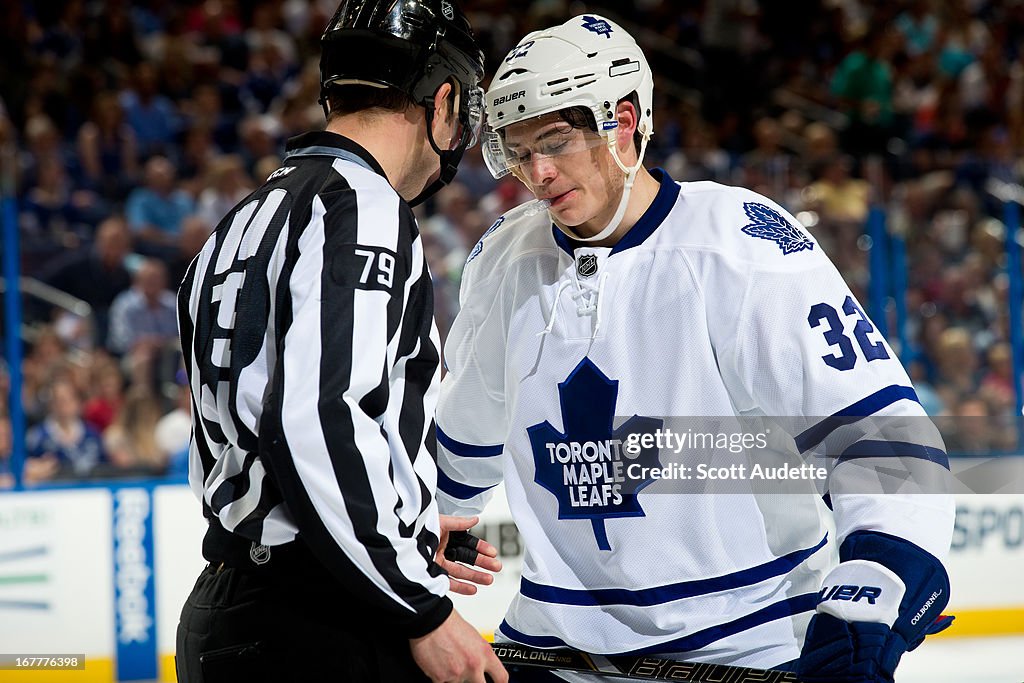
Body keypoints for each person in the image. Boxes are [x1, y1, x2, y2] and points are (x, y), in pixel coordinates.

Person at [435, 15, 954, 682]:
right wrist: (441, 511)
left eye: (557, 141)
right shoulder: (507, 254)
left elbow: (880, 436)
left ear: (623, 121)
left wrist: (878, 578)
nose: (537, 172)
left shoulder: (740, 244)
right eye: (517, 150)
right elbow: (470, 419)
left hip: (746, 645)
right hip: (553, 642)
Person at [174, 2, 506, 683]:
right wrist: (416, 604)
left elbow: (257, 423)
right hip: (317, 622)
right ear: (444, 100)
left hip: (229, 605)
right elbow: (320, 420)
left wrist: (399, 517)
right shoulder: (360, 206)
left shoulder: (245, 216)